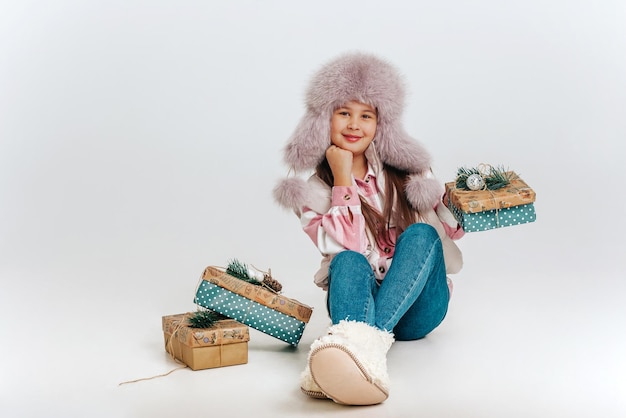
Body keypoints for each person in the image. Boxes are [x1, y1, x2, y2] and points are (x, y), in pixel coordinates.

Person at [273, 52, 464, 406]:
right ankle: (362, 359)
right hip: (359, 304)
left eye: (366, 115)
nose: (354, 125)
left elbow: (447, 234)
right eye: (343, 112)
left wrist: (463, 202)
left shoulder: (409, 174)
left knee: (422, 235)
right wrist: (342, 176)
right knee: (346, 261)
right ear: (323, 120)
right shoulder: (312, 194)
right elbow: (346, 243)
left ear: (381, 123)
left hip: (418, 311)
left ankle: (359, 352)